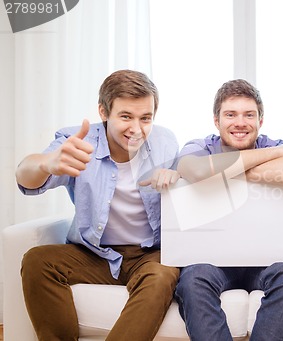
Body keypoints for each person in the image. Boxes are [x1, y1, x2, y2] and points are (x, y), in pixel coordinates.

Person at [16, 70, 181, 341]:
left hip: (149, 253)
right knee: (37, 260)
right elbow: (25, 176)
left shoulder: (165, 142)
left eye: (146, 118)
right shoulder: (77, 142)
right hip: (95, 253)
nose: (137, 129)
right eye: (126, 116)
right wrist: (46, 164)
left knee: (164, 274)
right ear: (103, 112)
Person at [174, 79, 283, 341]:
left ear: (260, 121)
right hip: (212, 261)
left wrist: (224, 170)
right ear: (216, 121)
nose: (240, 122)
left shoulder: (272, 143)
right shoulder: (199, 146)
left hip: (266, 260)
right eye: (230, 115)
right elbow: (194, 170)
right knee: (192, 279)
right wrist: (276, 158)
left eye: (249, 115)